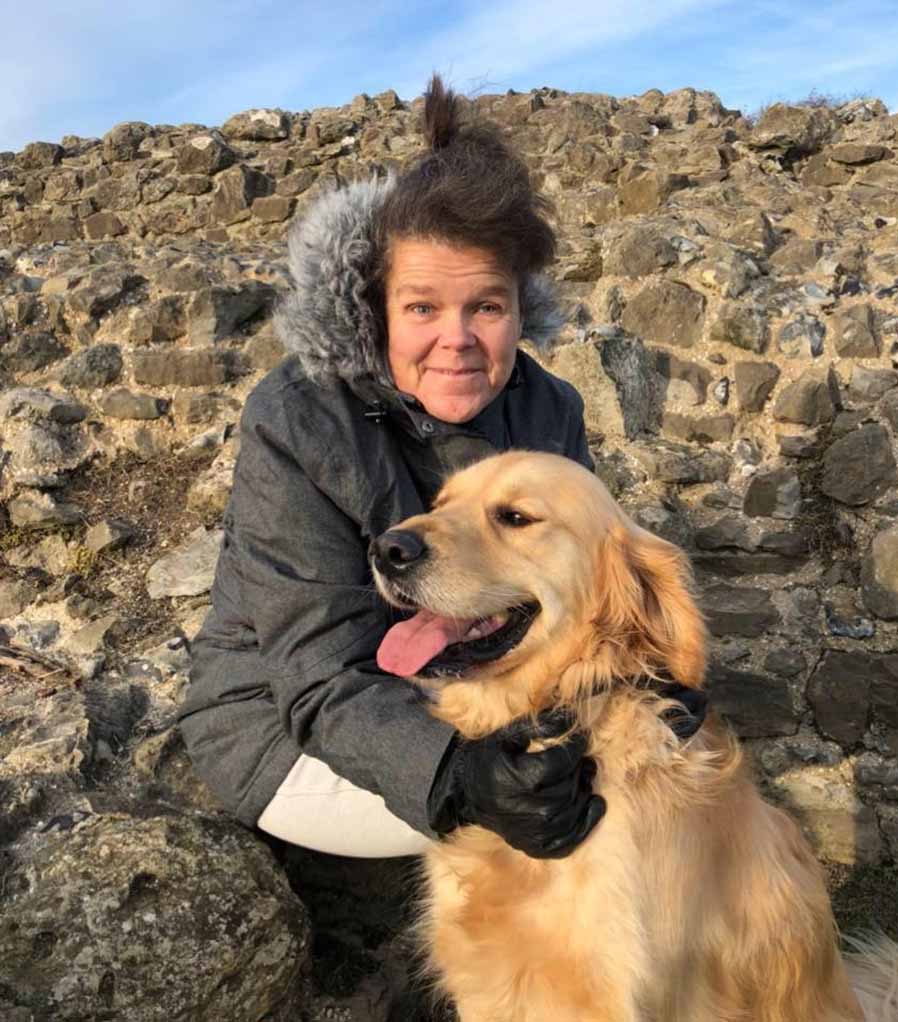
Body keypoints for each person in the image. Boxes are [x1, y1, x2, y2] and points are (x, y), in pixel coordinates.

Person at [179, 76, 705, 870]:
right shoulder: (296, 420)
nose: (456, 339)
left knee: (617, 762)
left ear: (520, 312)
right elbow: (317, 676)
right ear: (378, 309)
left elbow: (574, 594)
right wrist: (460, 776)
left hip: (468, 676)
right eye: (423, 308)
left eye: (485, 308)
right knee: (576, 805)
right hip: (284, 715)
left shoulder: (548, 407)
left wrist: (660, 677)